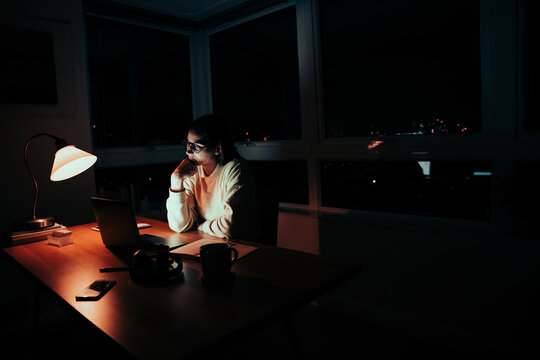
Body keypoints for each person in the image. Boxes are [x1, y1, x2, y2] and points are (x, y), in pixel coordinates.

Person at [166, 114, 260, 240]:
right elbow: (180, 225)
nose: (188, 151)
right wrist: (176, 180)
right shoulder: (193, 171)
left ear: (217, 149)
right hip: (212, 243)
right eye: (188, 144)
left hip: (243, 247)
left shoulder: (235, 169)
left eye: (196, 147)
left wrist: (202, 227)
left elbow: (230, 227)